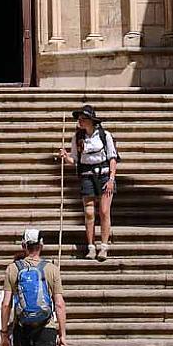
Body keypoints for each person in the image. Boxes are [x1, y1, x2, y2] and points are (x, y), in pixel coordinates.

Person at [58, 104, 118, 262]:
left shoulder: (105, 136)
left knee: (104, 211)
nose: (80, 121)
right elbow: (74, 160)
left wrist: (112, 178)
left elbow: (113, 158)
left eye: (83, 118)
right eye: (79, 119)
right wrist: (65, 157)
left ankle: (104, 247)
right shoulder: (77, 138)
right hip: (86, 176)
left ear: (91, 120)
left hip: (105, 175)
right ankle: (91, 246)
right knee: (89, 212)